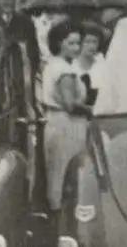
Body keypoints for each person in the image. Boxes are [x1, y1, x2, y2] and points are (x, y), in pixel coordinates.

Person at [41, 19, 89, 213]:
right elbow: (70, 104)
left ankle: (58, 214)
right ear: (59, 43)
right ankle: (63, 217)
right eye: (71, 43)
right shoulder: (64, 70)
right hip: (68, 126)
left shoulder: (54, 65)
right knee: (66, 172)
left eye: (78, 43)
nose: (76, 48)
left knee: (57, 172)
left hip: (56, 122)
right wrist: (93, 109)